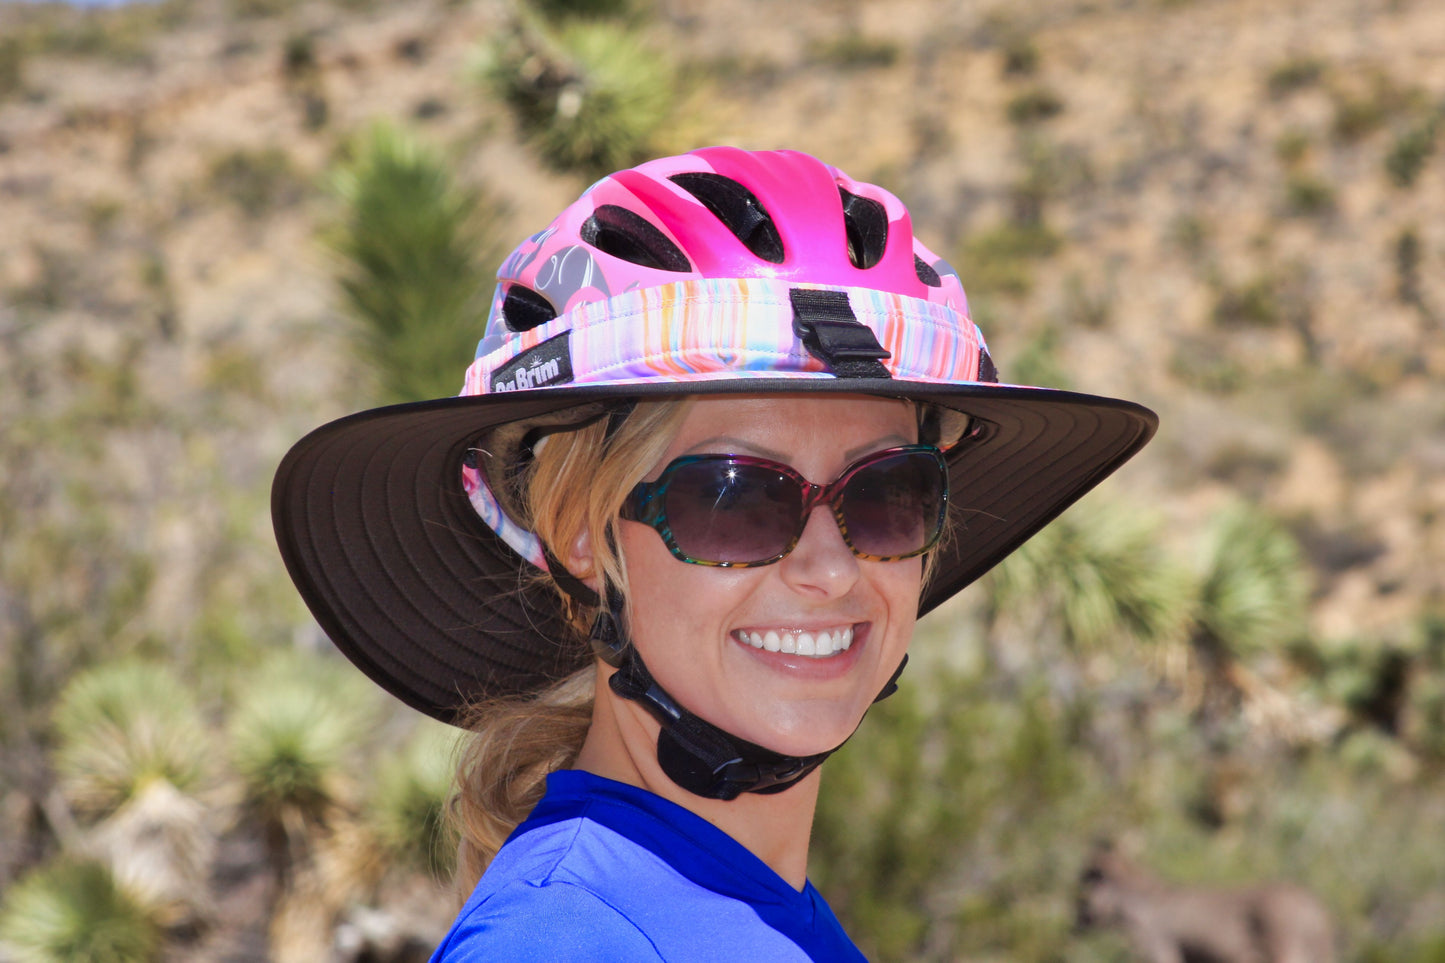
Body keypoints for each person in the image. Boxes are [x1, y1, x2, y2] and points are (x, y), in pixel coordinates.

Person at [271, 146, 1157, 960]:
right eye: (736, 498)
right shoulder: (563, 942)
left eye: (888, 494)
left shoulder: (750, 914)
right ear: (582, 532)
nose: (829, 568)